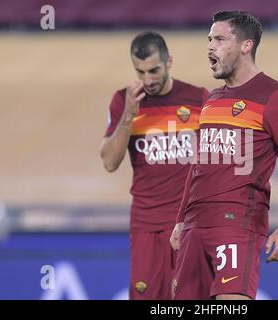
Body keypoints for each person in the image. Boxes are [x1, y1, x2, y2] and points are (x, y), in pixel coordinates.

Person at [170, 11, 278, 300]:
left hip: (237, 224)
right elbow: (199, 164)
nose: (210, 46)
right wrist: (181, 218)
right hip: (195, 226)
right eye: (209, 39)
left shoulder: (277, 97)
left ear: (246, 46)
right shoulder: (212, 100)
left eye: (220, 39)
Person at [100, 31, 208, 300]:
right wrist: (128, 114)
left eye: (154, 70)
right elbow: (110, 162)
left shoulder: (199, 99)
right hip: (146, 224)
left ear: (169, 61)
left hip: (189, 225)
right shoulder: (123, 101)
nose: (147, 80)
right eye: (140, 72)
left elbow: (214, 165)